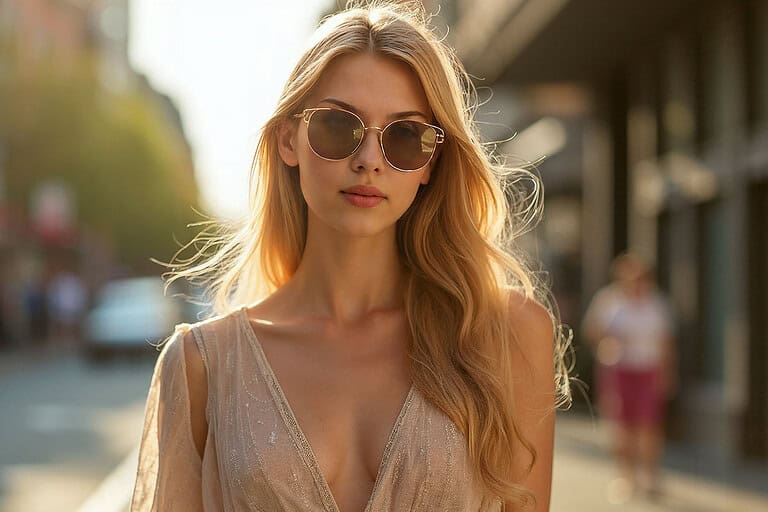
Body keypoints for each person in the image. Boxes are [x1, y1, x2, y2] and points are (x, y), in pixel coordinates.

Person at [131, 2, 572, 511]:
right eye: (339, 127)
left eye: (405, 135)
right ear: (288, 140)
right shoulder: (201, 367)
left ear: (431, 163)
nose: (369, 160)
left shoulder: (508, 337)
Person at [581, 252, 677, 501]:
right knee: (621, 427)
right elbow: (592, 331)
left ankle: (649, 476)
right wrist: (608, 340)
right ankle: (626, 477)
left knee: (648, 426)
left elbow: (667, 343)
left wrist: (667, 374)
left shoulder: (657, 304)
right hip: (617, 370)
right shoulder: (609, 301)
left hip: (648, 369)